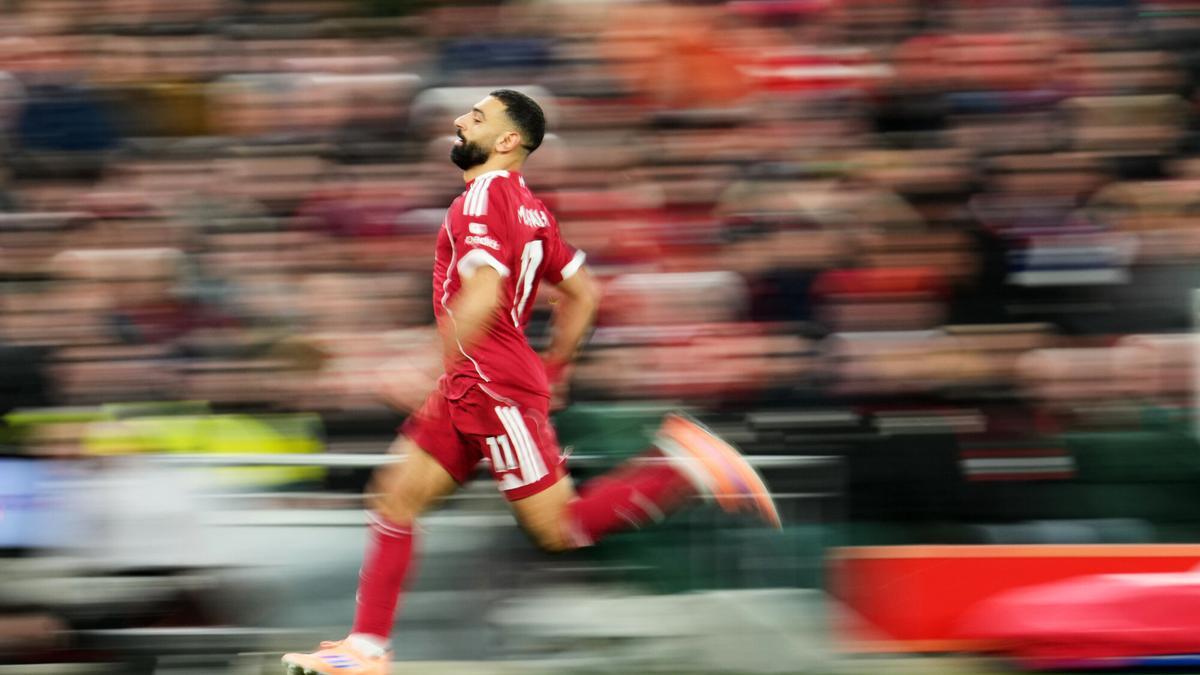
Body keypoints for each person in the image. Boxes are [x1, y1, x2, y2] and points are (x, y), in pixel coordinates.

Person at [282, 90, 779, 675]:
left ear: (507, 140)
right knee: (393, 499)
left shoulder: (479, 202)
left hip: (491, 387)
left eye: (475, 117)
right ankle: (365, 651)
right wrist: (557, 368)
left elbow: (485, 293)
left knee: (559, 528)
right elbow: (584, 293)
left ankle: (682, 463)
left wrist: (424, 356)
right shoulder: (530, 208)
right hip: (475, 383)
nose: (459, 121)